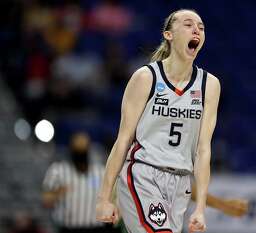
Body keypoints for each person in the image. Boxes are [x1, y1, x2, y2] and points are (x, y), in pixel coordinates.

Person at [96, 9, 221, 233]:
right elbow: (123, 139)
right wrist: (105, 197)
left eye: (201, 27)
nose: (196, 30)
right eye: (188, 24)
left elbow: (203, 150)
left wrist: (200, 208)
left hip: (180, 184)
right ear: (169, 35)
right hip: (144, 174)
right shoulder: (146, 78)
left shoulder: (209, 85)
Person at [42, 132, 109, 233]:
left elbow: (112, 198)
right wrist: (58, 192)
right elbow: (46, 200)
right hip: (68, 228)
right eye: (78, 151)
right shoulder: (58, 171)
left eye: (83, 150)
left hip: (96, 228)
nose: (80, 155)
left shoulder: (100, 171)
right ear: (71, 150)